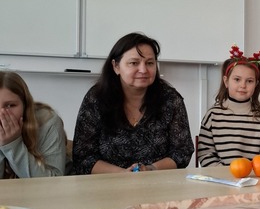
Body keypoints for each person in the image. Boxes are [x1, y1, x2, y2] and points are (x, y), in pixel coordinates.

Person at [73, 32, 193, 174]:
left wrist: (150, 169)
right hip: (107, 182)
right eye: (134, 63)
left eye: (149, 63)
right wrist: (123, 174)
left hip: (157, 181)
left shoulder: (170, 99)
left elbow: (182, 151)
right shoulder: (96, 99)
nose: (143, 70)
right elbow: (83, 156)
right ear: (116, 66)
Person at [197, 45, 260, 166]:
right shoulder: (213, 115)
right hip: (220, 176)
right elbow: (205, 153)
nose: (243, 85)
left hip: (253, 176)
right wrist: (224, 173)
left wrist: (252, 171)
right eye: (237, 79)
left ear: (256, 84)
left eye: (249, 81)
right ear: (226, 81)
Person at [0, 71, 66, 178]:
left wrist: (12, 145)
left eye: (10, 105)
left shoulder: (48, 122)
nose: (2, 114)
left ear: (25, 105)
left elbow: (54, 182)